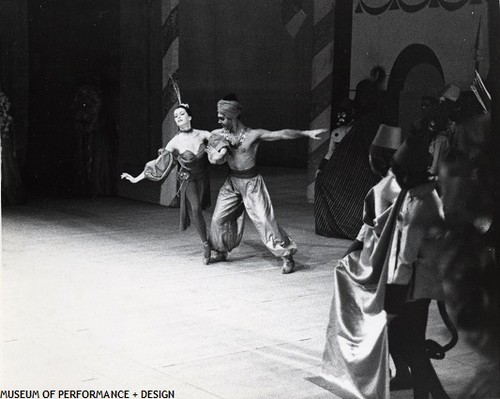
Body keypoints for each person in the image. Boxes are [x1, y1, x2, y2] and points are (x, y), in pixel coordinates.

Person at [321, 124, 402, 399]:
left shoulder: (382, 188)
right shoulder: (401, 185)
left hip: (382, 262)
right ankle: (399, 371)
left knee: (352, 288)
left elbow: (368, 229)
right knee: (402, 332)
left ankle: (358, 362)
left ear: (376, 159)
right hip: (398, 260)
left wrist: (347, 256)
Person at [205, 94, 326, 274]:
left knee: (264, 220)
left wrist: (305, 133)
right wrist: (214, 157)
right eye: (219, 116)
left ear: (233, 116)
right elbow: (211, 152)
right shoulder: (217, 134)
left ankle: (286, 256)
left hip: (251, 183)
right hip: (232, 183)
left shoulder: (253, 135)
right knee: (218, 219)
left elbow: (281, 134)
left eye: (222, 117)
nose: (219, 120)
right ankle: (221, 251)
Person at [387, 135, 450, 399]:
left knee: (409, 344)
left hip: (415, 287)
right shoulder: (424, 195)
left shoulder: (420, 205)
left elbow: (406, 258)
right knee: (412, 345)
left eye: (399, 173)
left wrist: (392, 301)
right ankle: (428, 394)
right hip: (421, 284)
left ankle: (432, 395)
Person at [121, 104, 212, 264]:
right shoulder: (175, 142)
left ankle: (219, 240)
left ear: (189, 117)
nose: (178, 117)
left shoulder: (203, 134)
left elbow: (220, 142)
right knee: (196, 209)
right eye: (176, 116)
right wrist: (136, 178)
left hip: (203, 178)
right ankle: (206, 244)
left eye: (181, 114)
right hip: (188, 180)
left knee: (209, 209)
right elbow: (158, 164)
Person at [314, 69, 385, 239]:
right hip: (357, 158)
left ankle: (351, 226)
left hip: (363, 161)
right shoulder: (364, 118)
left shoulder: (368, 120)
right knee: (326, 181)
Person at [316, 98, 354, 176]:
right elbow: (330, 153)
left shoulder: (356, 130)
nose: (340, 117)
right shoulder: (336, 132)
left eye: (343, 114)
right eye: (338, 114)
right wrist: (320, 168)